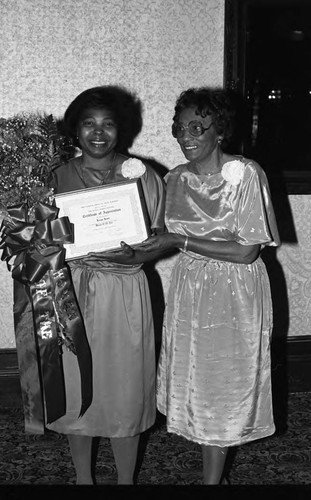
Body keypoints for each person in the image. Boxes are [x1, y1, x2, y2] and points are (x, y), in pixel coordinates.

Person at [137, 87, 281, 484]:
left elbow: (247, 251)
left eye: (198, 127)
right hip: (191, 289)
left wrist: (177, 241)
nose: (187, 136)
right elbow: (153, 234)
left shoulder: (245, 174)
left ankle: (210, 482)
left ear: (220, 131)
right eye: (180, 127)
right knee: (198, 383)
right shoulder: (174, 179)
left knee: (222, 386)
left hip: (234, 290)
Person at [48, 85, 166, 485]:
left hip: (125, 291)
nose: (98, 133)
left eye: (108, 124)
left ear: (122, 130)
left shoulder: (143, 174)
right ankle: (83, 478)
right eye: (88, 124)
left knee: (124, 388)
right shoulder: (56, 175)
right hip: (72, 291)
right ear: (74, 130)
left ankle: (126, 480)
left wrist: (139, 257)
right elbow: (40, 240)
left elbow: (160, 234)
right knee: (78, 384)